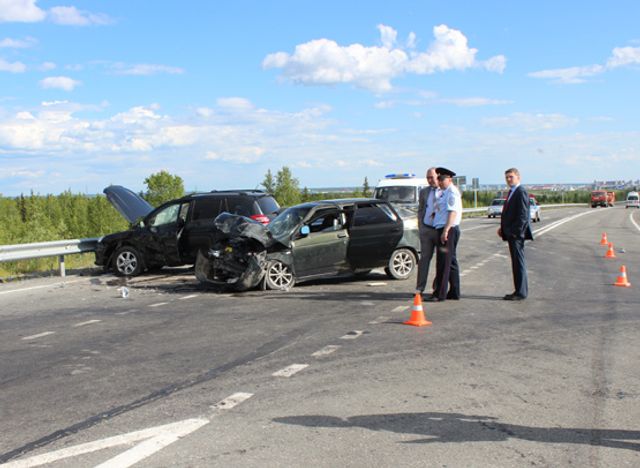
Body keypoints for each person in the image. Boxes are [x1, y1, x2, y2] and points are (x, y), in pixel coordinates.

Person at [498, 167, 533, 301]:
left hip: (516, 235)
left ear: (518, 177)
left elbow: (523, 216)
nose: (508, 179)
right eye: (507, 177)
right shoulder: (512, 191)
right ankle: (518, 290)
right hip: (511, 233)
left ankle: (521, 292)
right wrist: (503, 228)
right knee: (516, 263)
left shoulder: (520, 191)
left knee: (518, 263)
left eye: (511, 177)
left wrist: (515, 233)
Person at [427, 167, 462, 302]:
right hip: (444, 228)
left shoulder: (452, 192)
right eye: (438, 179)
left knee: (443, 262)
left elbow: (452, 212)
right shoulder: (444, 192)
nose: (439, 182)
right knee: (451, 262)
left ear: (449, 179)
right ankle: (454, 291)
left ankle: (439, 293)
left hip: (447, 229)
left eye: (442, 179)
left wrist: (446, 230)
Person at [415, 167, 439, 297]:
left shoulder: (445, 190)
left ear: (438, 176)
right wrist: (421, 225)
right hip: (427, 229)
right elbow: (421, 209)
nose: (429, 180)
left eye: (432, 177)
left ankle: (437, 287)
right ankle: (419, 288)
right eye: (428, 178)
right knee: (424, 259)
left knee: (441, 260)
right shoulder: (424, 192)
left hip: (439, 230)